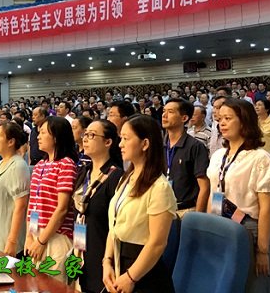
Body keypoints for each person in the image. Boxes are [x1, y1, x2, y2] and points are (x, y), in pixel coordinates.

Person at [208, 98, 270, 292]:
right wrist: (210, 227)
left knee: (253, 285)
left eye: (228, 118)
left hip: (249, 230)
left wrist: (262, 251)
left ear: (244, 121)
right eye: (220, 119)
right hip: (222, 225)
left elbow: (266, 208)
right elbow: (213, 194)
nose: (222, 123)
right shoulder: (218, 156)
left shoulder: (260, 158)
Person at [103, 115, 177, 293]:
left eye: (126, 139)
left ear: (145, 144)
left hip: (144, 272)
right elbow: (114, 226)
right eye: (121, 138)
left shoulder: (159, 187)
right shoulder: (126, 178)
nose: (120, 144)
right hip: (119, 262)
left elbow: (157, 243)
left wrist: (131, 277)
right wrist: (107, 261)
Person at [72, 120, 123, 293]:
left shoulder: (115, 176)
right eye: (85, 134)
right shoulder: (84, 171)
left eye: (92, 135)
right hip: (80, 245)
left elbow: (116, 224)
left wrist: (108, 260)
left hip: (101, 250)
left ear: (108, 142)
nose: (85, 138)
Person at [25, 116, 78, 279]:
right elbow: (32, 204)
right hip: (36, 235)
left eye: (43, 133)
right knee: (34, 285)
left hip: (56, 236)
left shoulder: (66, 164)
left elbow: (62, 209)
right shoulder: (40, 165)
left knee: (53, 285)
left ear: (56, 137)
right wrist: (29, 236)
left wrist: (41, 241)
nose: (38, 137)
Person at [0, 122, 30, 256]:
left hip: (8, 239)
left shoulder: (18, 166)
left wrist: (12, 240)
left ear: (11, 142)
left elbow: (21, 206)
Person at [162, 98, 210, 217]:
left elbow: (204, 186)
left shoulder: (195, 146)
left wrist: (197, 218)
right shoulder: (160, 145)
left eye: (170, 112)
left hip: (186, 210)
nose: (164, 115)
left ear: (184, 118)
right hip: (163, 208)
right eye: (164, 111)